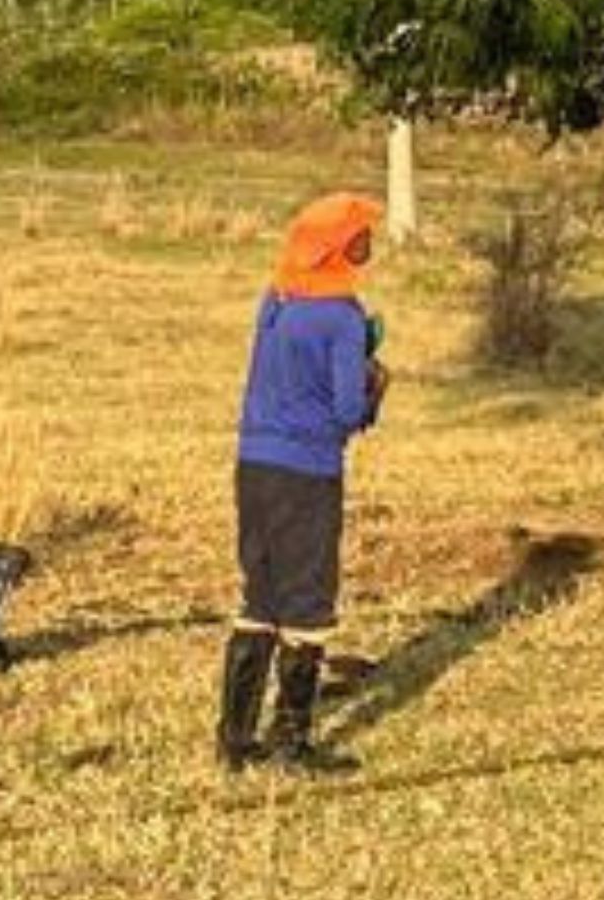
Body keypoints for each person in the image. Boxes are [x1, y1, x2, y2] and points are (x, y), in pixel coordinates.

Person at [219, 192, 387, 773]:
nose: (369, 246)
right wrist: (372, 387)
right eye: (362, 237)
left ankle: (235, 742)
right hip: (308, 472)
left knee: (259, 595)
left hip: (253, 464)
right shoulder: (343, 316)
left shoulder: (276, 300)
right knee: (307, 603)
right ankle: (292, 744)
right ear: (342, 248)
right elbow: (344, 412)